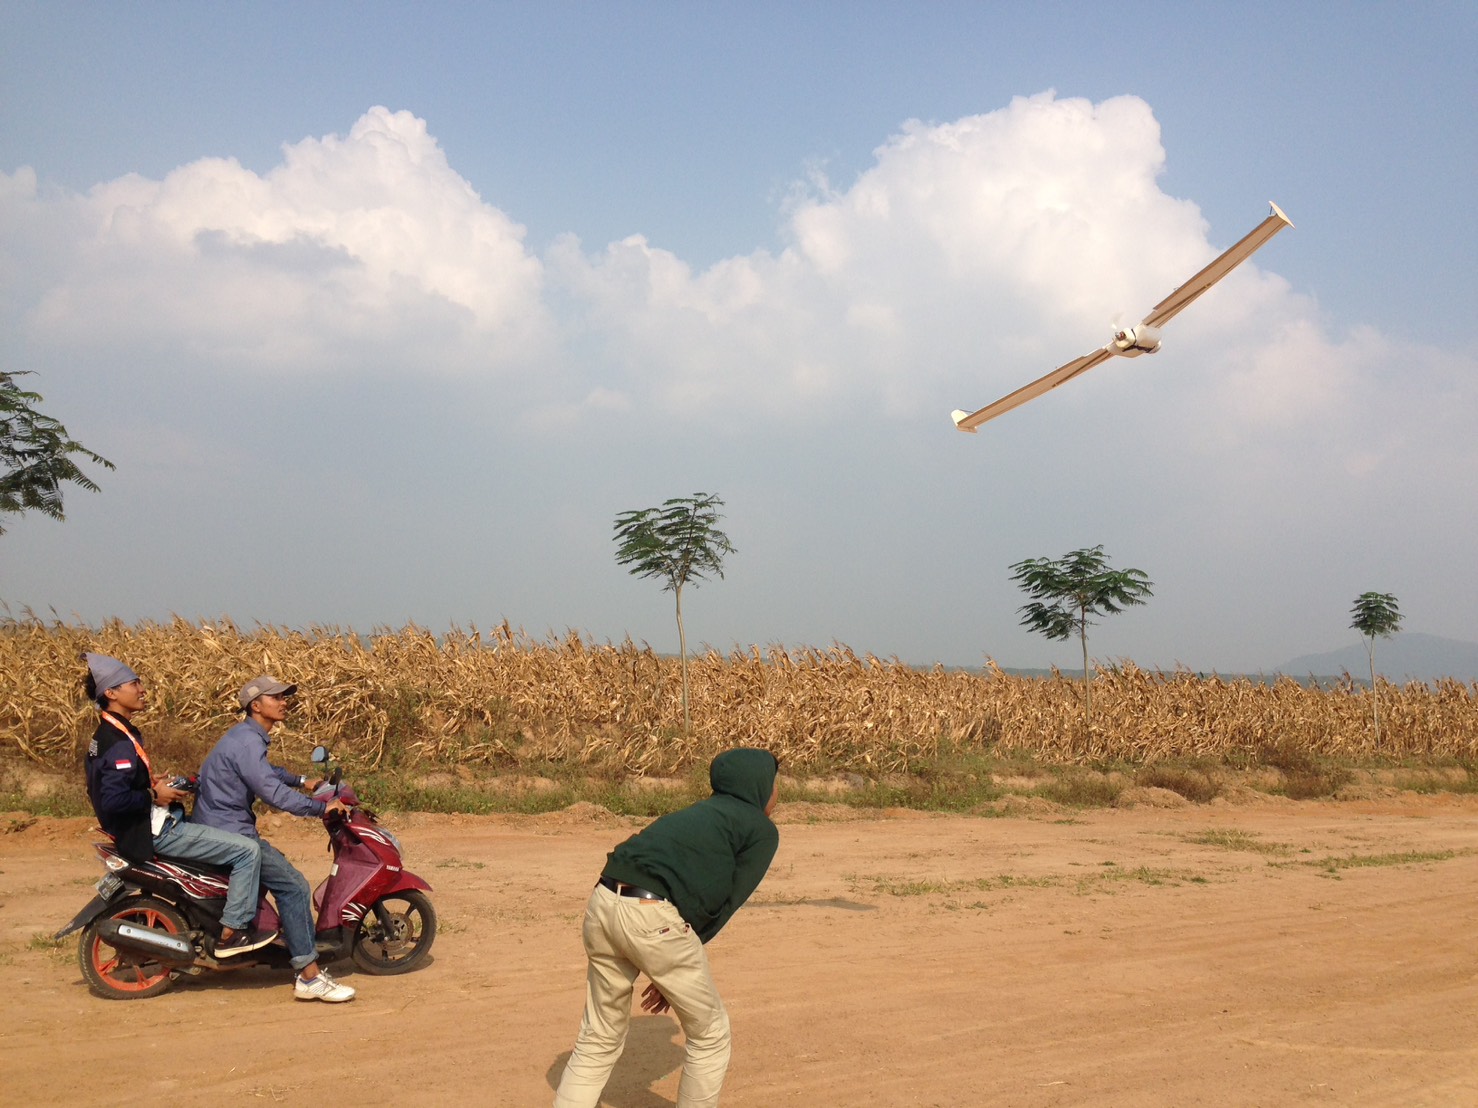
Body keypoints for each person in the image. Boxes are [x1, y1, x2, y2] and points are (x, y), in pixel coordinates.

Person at [553, 747, 781, 1108]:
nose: (776, 794)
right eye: (774, 784)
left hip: (602, 902)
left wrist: (669, 962)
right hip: (652, 918)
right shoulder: (760, 830)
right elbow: (728, 902)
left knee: (599, 1036)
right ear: (758, 785)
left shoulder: (698, 812)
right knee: (710, 1034)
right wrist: (673, 959)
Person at [80, 652, 276, 957]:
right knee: (247, 850)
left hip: (145, 823)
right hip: (153, 830)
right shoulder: (116, 740)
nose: (142, 689)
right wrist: (152, 796)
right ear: (111, 693)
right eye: (134, 683)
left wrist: (148, 784)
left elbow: (106, 783)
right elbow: (113, 799)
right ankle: (232, 932)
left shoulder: (114, 732)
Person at [192, 675, 356, 1003]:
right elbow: (271, 792)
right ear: (256, 705)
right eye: (276, 697)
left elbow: (266, 773)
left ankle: (264, 938)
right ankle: (309, 977)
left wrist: (303, 780)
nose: (284, 702)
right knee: (293, 886)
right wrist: (321, 809)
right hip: (231, 832)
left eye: (285, 697)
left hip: (221, 826)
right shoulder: (249, 741)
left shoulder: (246, 737)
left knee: (274, 875)